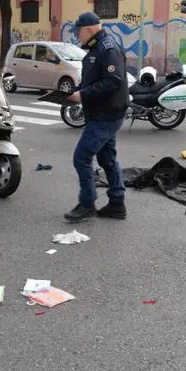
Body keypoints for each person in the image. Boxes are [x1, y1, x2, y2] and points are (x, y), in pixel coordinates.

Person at [64, 12, 129, 221]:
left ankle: (87, 203)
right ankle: (117, 204)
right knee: (107, 158)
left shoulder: (107, 48)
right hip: (103, 113)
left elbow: (113, 81)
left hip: (106, 114)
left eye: (78, 32)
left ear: (90, 29)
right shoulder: (97, 48)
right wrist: (76, 91)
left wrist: (82, 94)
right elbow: (95, 79)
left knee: (81, 157)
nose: (77, 36)